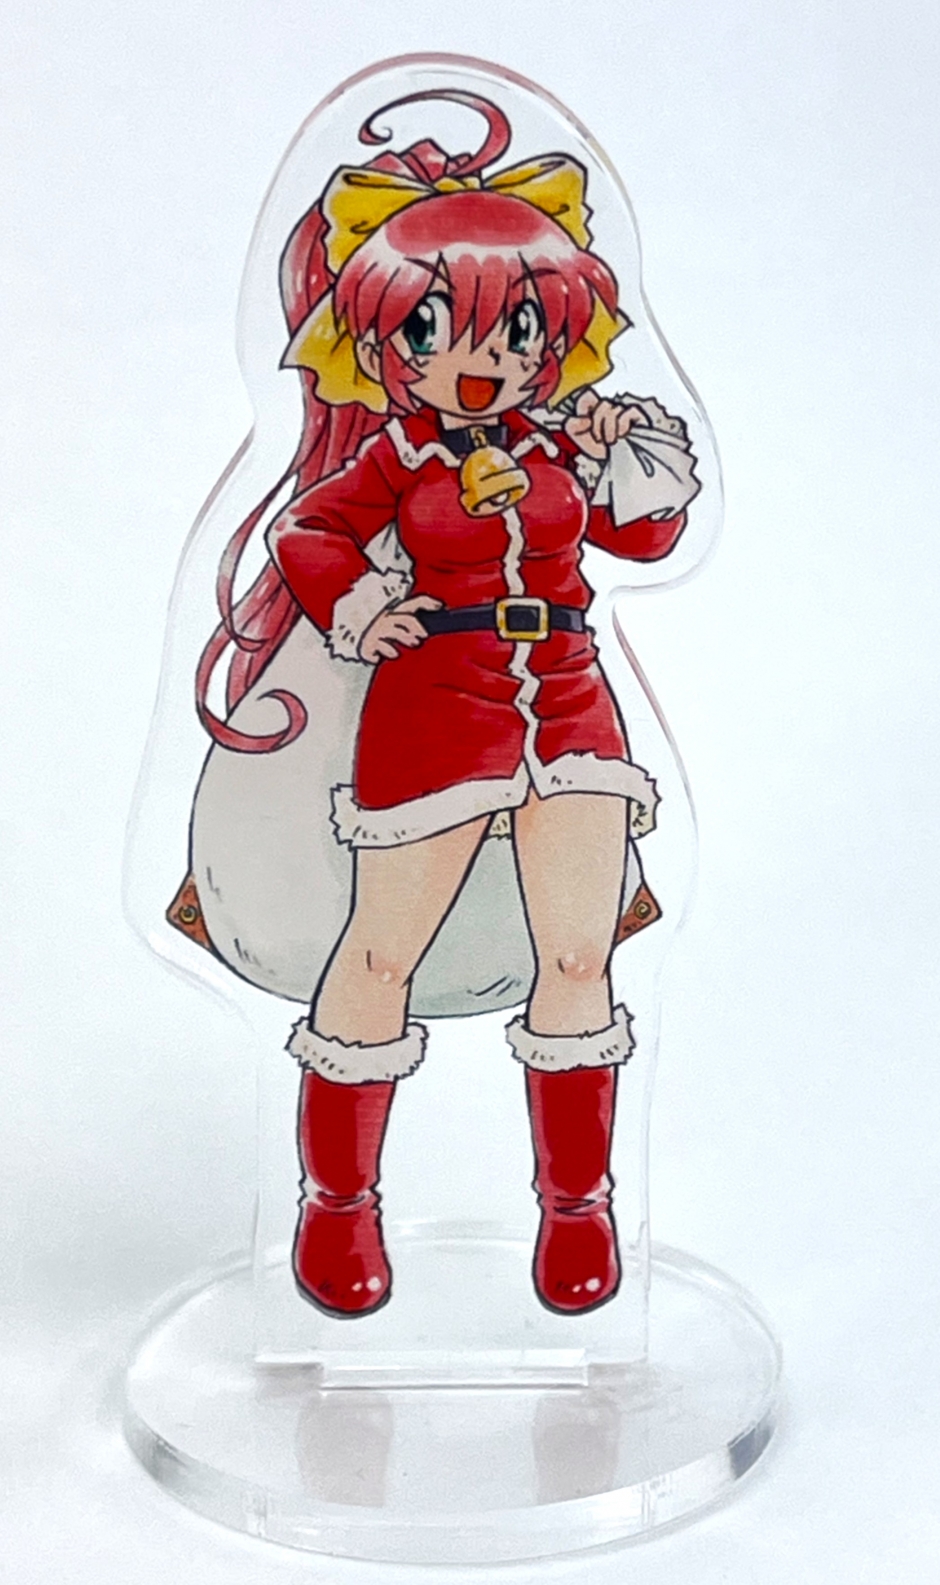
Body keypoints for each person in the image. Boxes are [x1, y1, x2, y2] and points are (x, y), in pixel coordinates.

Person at [185, 89, 699, 1321]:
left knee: (577, 953)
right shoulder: (393, 456)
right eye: (436, 327)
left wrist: (634, 456)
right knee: (379, 954)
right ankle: (337, 1202)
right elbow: (309, 530)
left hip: (569, 701)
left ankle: (577, 1207)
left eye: (518, 326)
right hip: (432, 708)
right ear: (385, 342)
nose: (486, 357)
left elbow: (644, 536)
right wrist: (358, 602)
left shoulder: (561, 442)